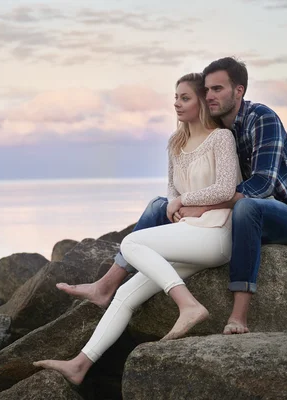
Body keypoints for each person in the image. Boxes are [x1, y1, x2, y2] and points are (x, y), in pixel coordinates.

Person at [34, 72, 242, 385]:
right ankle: (80, 365)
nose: (177, 104)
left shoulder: (222, 138)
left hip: (215, 236)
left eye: (184, 98)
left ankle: (188, 305)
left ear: (201, 101)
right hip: (188, 235)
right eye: (175, 97)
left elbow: (227, 188)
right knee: (126, 293)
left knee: (132, 244)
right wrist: (178, 205)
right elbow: (172, 192)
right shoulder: (176, 143)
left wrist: (185, 201)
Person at [175, 57, 287, 334]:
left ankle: (238, 316)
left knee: (248, 207)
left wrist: (202, 207)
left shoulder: (262, 118)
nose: (210, 96)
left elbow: (262, 185)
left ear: (238, 91)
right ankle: (117, 276)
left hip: (283, 215)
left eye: (218, 89)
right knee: (162, 206)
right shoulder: (216, 129)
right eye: (206, 90)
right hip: (233, 214)